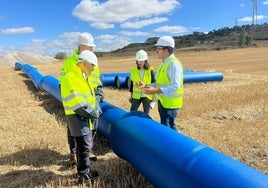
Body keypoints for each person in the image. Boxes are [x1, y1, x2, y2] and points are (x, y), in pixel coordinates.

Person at [59, 32, 103, 165]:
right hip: (77, 104)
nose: (93, 49)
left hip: (91, 100)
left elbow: (97, 82)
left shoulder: (92, 60)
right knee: (75, 130)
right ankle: (74, 152)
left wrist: (97, 100)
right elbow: (64, 85)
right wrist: (75, 104)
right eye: (91, 47)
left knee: (91, 128)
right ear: (82, 46)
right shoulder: (70, 62)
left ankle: (87, 150)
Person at [60, 50, 100, 184]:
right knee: (83, 147)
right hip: (77, 115)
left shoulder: (83, 76)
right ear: (83, 64)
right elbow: (76, 102)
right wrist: (93, 113)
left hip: (85, 115)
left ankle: (86, 171)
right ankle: (83, 175)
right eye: (92, 65)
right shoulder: (71, 77)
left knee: (85, 146)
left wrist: (96, 108)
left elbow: (89, 98)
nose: (94, 68)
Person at [137, 36, 183, 131]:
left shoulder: (174, 64)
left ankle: (172, 146)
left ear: (166, 50)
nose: (156, 51)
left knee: (166, 129)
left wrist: (155, 90)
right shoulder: (164, 63)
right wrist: (146, 85)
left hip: (170, 105)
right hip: (163, 102)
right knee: (170, 127)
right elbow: (160, 83)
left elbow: (175, 86)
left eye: (158, 48)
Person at [129, 49, 155, 114]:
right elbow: (132, 85)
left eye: (141, 61)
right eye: (138, 60)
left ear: (145, 61)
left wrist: (154, 98)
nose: (139, 62)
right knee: (132, 112)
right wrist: (131, 96)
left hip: (147, 95)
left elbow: (154, 84)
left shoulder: (150, 70)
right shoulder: (133, 71)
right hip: (136, 96)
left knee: (146, 114)